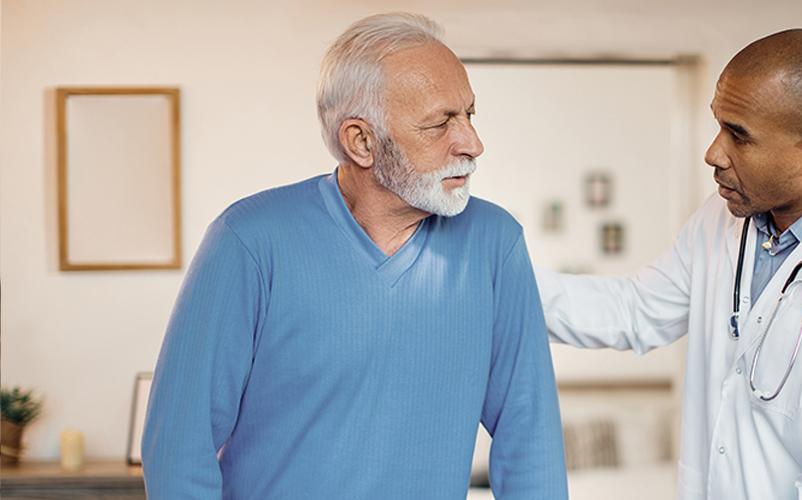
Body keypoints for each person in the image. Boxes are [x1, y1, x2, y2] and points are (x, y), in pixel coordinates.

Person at [141, 13, 567, 499]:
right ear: (361, 141)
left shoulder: (495, 243)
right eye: (439, 123)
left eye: (469, 114)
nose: (472, 143)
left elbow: (530, 437)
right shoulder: (248, 240)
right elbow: (179, 448)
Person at [537, 29, 802, 499]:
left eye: (739, 135)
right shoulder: (723, 220)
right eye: (718, 125)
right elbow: (634, 310)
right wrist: (493, 278)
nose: (713, 153)